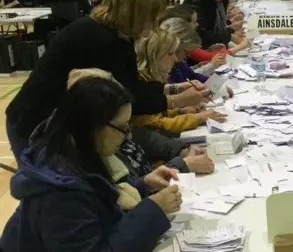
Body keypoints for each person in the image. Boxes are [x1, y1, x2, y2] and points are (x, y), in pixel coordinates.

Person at [5, 0, 211, 159]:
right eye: (150, 18)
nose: (152, 26)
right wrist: (175, 100)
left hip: (52, 123)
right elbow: (126, 98)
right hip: (35, 123)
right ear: (135, 14)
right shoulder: (99, 40)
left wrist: (173, 90)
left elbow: (132, 84)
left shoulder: (120, 35)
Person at [0, 77, 181, 252]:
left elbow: (96, 199)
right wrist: (152, 211)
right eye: (123, 127)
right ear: (94, 127)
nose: (129, 135)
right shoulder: (60, 193)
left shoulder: (78, 154)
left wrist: (143, 184)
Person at [67, 68, 215, 176]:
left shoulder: (113, 134)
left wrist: (182, 149)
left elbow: (148, 139)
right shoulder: (94, 162)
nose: (129, 134)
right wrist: (182, 165)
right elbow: (135, 192)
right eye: (122, 127)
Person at [132, 29, 226, 135]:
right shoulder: (139, 83)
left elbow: (159, 112)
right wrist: (198, 118)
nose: (175, 59)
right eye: (170, 53)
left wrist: (181, 111)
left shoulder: (152, 79)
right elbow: (155, 124)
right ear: (154, 55)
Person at [182, 0, 248, 53]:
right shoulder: (198, 1)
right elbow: (202, 33)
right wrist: (229, 36)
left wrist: (231, 30)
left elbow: (214, 23)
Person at [160, 17, 226, 84]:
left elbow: (192, 76)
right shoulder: (165, 69)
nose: (188, 55)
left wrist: (213, 83)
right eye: (186, 52)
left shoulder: (179, 63)